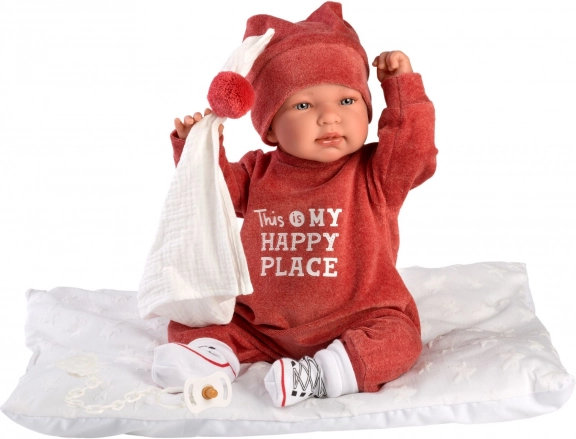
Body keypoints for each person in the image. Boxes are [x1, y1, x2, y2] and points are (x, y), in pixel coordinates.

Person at [151, 1, 437, 408]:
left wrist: (402, 90)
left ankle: (322, 374)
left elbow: (415, 151)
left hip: (357, 316)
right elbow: (214, 194)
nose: (329, 117)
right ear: (269, 126)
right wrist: (199, 148)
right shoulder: (259, 170)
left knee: (399, 339)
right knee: (196, 316)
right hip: (259, 324)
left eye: (347, 101)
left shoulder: (377, 172)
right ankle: (210, 356)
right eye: (304, 105)